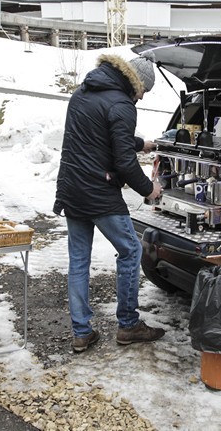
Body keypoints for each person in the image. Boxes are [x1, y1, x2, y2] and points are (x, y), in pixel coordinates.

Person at [54, 53, 165, 353]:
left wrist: (144, 143)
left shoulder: (84, 92)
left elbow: (100, 137)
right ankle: (128, 325)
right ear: (136, 83)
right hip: (99, 192)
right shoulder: (122, 104)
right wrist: (148, 189)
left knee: (79, 260)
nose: (141, 99)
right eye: (144, 92)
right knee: (131, 250)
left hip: (71, 187)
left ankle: (81, 332)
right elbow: (124, 163)